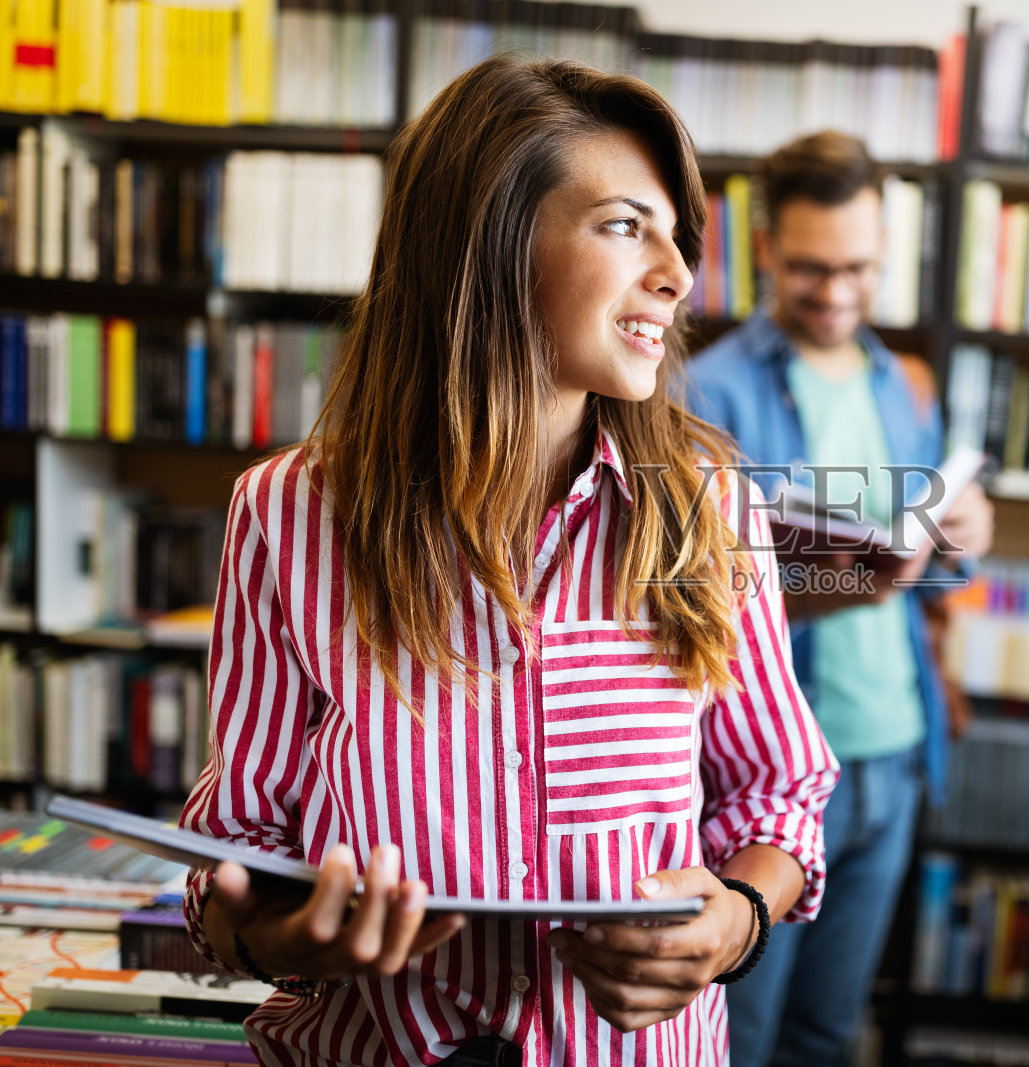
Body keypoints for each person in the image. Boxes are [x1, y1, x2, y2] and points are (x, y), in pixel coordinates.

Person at [179, 58, 838, 1067]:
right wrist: (276, 935)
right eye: (625, 225)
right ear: (485, 242)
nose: (676, 271)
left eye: (674, 234)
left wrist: (738, 918)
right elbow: (239, 850)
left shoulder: (709, 504)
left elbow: (777, 791)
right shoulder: (286, 514)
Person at [685, 132, 994, 1065]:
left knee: (826, 1035)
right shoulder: (707, 389)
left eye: (859, 267)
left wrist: (962, 540)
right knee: (742, 1035)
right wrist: (834, 588)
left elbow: (925, 572)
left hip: (893, 756)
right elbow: (693, 598)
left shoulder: (903, 385)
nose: (837, 291)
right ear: (767, 246)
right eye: (813, 267)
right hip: (770, 776)